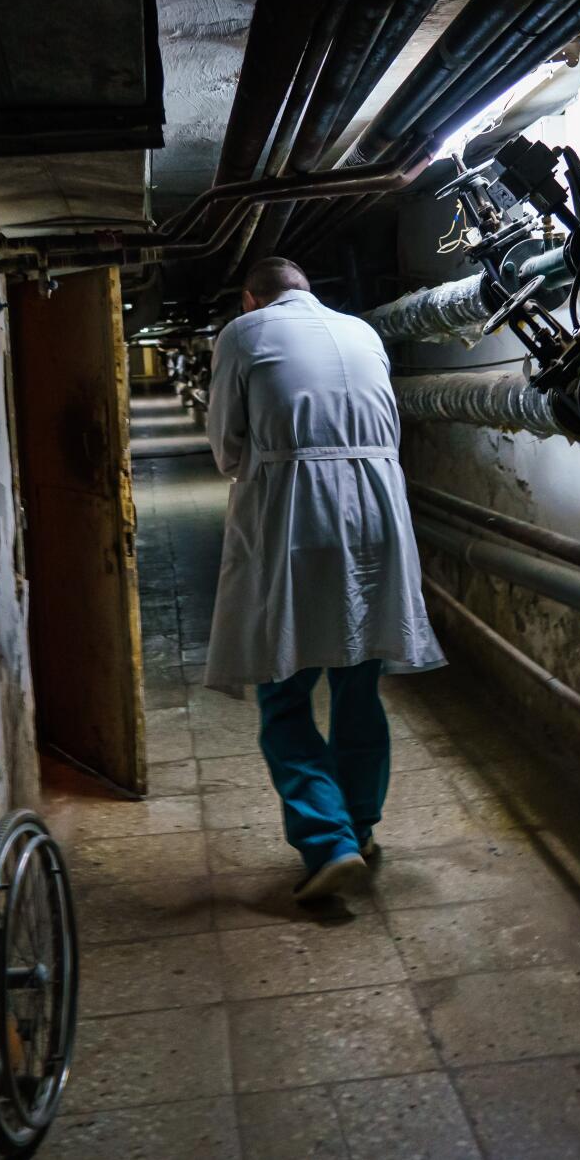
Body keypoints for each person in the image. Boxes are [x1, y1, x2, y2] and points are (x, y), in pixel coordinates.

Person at [204, 257, 444, 901]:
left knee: (283, 691)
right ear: (308, 292)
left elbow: (226, 448)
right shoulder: (362, 332)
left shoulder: (242, 334)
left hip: (296, 518)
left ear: (252, 300)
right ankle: (360, 827)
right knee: (357, 684)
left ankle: (327, 840)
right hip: (377, 516)